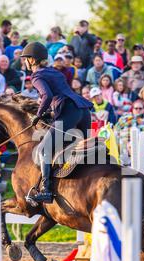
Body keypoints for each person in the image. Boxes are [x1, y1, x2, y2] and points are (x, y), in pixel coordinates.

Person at [21, 42, 92, 203]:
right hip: (83, 111)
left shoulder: (36, 75)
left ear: (32, 60)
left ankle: (46, 190)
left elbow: (46, 95)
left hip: (69, 112)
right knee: (87, 149)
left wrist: (38, 115)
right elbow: (59, 95)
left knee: (44, 149)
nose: (24, 61)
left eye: (25, 59)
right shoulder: (54, 72)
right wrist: (50, 112)